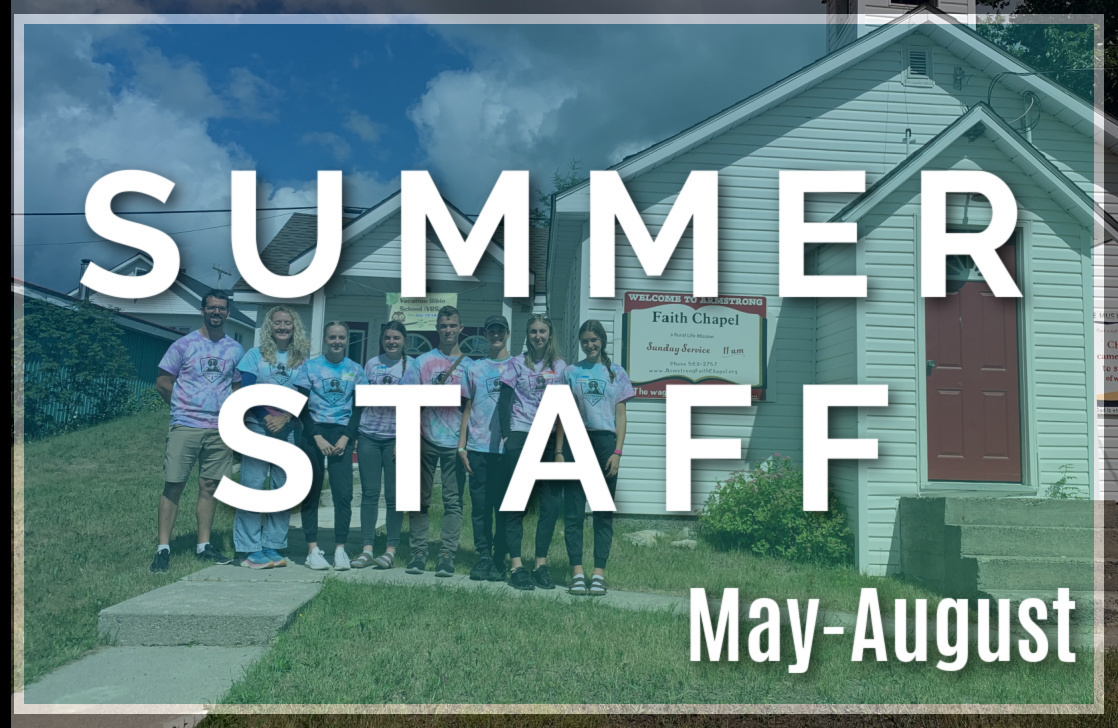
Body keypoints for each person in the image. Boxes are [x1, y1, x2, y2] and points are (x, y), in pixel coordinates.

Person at [150, 290, 245, 573]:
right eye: (212, 308)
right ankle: (163, 548)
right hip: (186, 426)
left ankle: (203, 545)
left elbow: (237, 386)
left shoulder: (234, 350)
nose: (217, 312)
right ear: (202, 310)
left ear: (228, 313)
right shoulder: (184, 345)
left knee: (210, 486)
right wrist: (183, 408)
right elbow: (163, 383)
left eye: (222, 309)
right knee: (174, 484)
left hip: (219, 430)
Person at [556, 320, 635, 597]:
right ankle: (577, 572)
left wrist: (617, 452)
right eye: (585, 341)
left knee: (602, 512)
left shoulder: (616, 373)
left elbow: (621, 415)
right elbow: (561, 415)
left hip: (605, 443)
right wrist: (559, 451)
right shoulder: (570, 372)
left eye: (594, 340)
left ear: (602, 340)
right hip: (576, 442)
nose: (590, 345)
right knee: (574, 512)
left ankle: (598, 573)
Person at [232, 306, 309, 569]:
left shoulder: (301, 358)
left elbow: (303, 392)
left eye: (288, 322)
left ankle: (272, 545)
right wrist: (266, 415)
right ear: (270, 326)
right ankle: (248, 549)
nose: (283, 327)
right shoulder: (255, 355)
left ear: (294, 326)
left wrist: (285, 417)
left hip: (287, 429)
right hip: (257, 425)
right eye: (278, 322)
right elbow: (247, 389)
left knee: (282, 488)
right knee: (253, 486)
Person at [400, 305, 472, 577]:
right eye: (443, 325)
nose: (448, 330)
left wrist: (466, 442)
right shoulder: (423, 362)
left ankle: (446, 555)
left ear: (460, 328)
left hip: (455, 441)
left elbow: (471, 407)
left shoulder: (470, 366)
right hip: (424, 437)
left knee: (453, 501)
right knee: (420, 499)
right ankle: (418, 552)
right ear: (437, 328)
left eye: (452, 325)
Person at [498, 314, 566, 591]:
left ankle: (540, 565)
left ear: (550, 334)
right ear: (527, 334)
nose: (538, 335)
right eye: (533, 331)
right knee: (518, 503)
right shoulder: (515, 363)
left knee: (549, 506)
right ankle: (516, 566)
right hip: (522, 435)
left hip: (548, 440)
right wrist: (507, 436)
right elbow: (504, 402)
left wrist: (560, 449)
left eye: (543, 331)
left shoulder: (561, 367)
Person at [293, 322, 368, 570]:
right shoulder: (311, 367)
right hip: (314, 432)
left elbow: (359, 408)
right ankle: (312, 550)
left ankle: (340, 549)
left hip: (341, 433)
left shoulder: (355, 369)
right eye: (332, 337)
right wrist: (316, 436)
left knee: (343, 493)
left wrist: (347, 436)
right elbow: (300, 406)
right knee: (312, 492)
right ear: (325, 339)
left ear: (347, 340)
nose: (337, 341)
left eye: (341, 337)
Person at [457, 315, 513, 582]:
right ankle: (483, 556)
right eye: (491, 331)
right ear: (486, 334)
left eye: (500, 330)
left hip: (507, 448)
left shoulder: (518, 367)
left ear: (508, 333)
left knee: (503, 506)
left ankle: (501, 556)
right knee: (480, 507)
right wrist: (462, 447)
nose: (495, 335)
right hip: (478, 447)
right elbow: (467, 408)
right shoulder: (475, 368)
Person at [350, 322, 408, 569]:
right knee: (370, 494)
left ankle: (391, 549)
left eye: (396, 338)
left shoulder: (412, 366)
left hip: (396, 437)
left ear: (404, 340)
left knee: (395, 496)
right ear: (382, 339)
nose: (392, 342)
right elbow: (361, 398)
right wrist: (354, 433)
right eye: (388, 338)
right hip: (369, 435)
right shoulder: (372, 363)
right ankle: (366, 548)